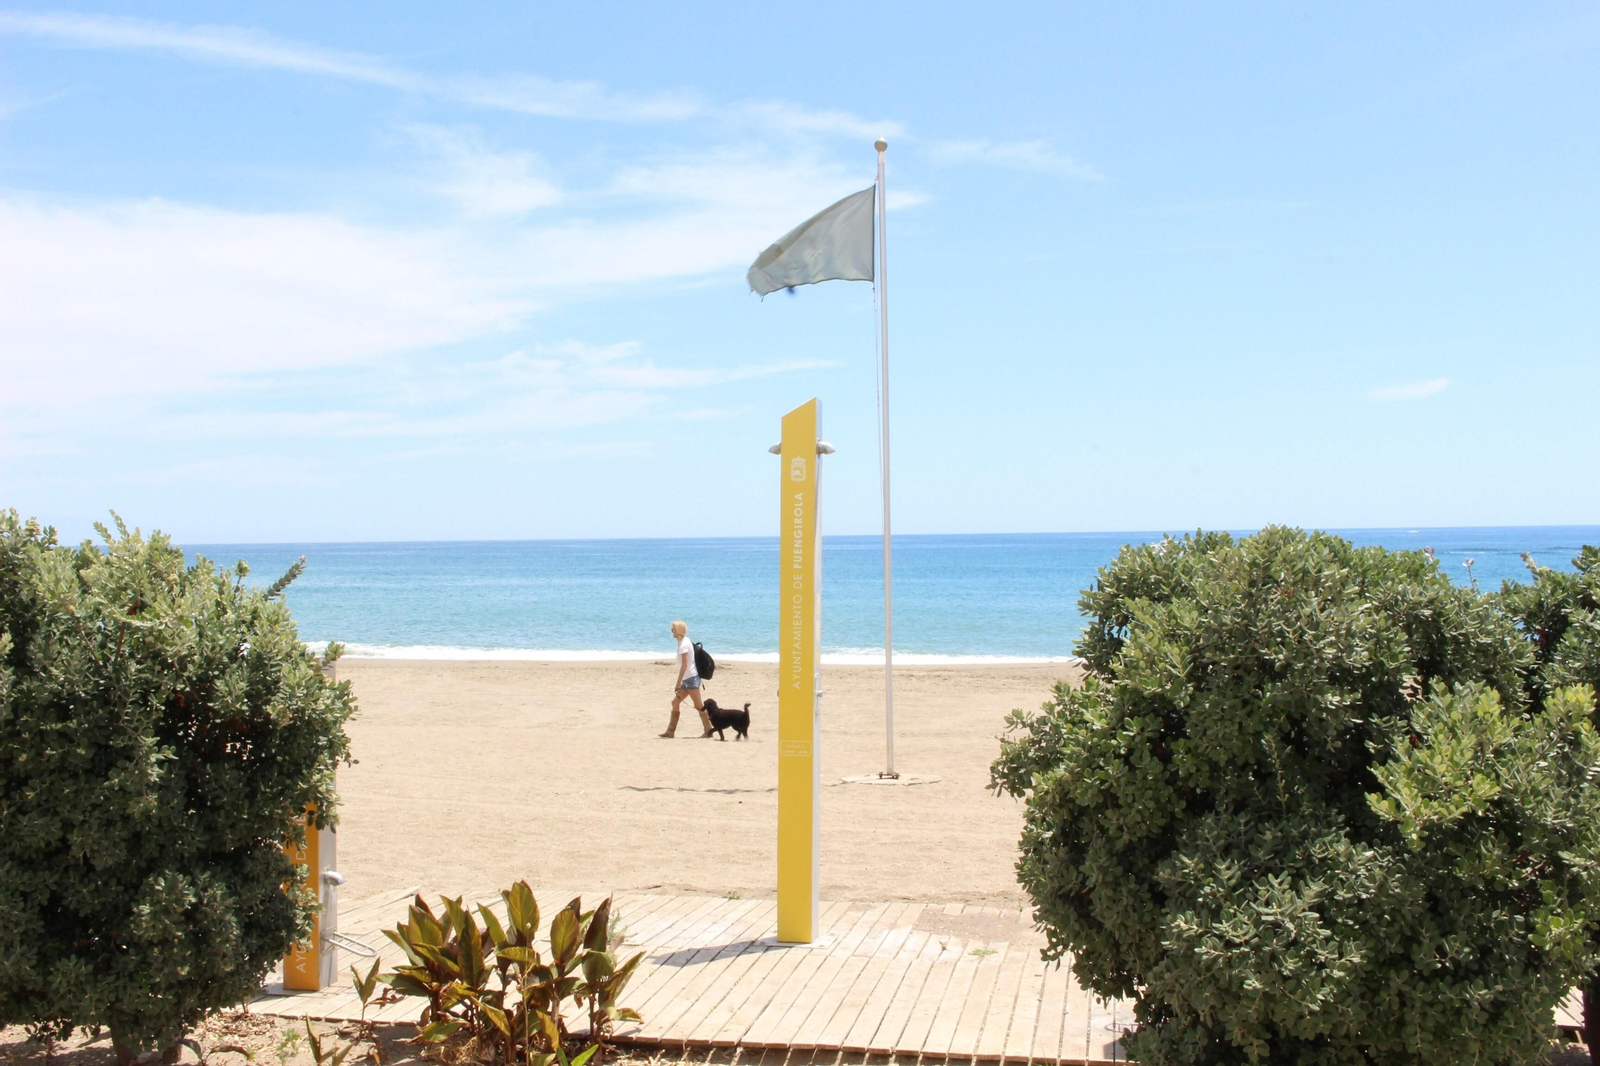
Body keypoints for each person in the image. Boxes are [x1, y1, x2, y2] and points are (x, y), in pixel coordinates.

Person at [660, 620, 714, 738]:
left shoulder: (684, 644)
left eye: (673, 629)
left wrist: (678, 683)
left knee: (699, 705)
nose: (671, 632)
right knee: (675, 702)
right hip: (688, 679)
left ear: (678, 631)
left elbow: (684, 666)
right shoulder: (684, 641)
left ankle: (708, 729)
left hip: (691, 679)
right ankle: (670, 732)